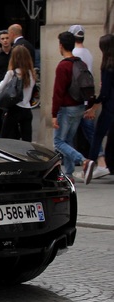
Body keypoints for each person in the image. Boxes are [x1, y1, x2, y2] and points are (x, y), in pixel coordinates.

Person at [52, 31, 96, 184]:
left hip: (66, 108)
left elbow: (58, 92)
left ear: (61, 46)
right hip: (79, 107)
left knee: (58, 142)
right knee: (68, 139)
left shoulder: (63, 66)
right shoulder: (80, 63)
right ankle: (69, 173)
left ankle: (84, 161)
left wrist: (53, 114)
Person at [69, 25, 107, 179]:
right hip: (86, 98)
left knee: (65, 136)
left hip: (77, 99)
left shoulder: (75, 54)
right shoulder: (88, 53)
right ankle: (99, 161)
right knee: (89, 132)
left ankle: (85, 164)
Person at [85, 33, 114, 176]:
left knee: (98, 135)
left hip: (110, 107)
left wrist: (94, 106)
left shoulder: (108, 66)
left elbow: (105, 92)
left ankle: (89, 164)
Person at [0, 45, 36, 141]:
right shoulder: (31, 74)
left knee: (5, 137)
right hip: (27, 108)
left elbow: (0, 88)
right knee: (27, 139)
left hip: (14, 109)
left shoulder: (11, 73)